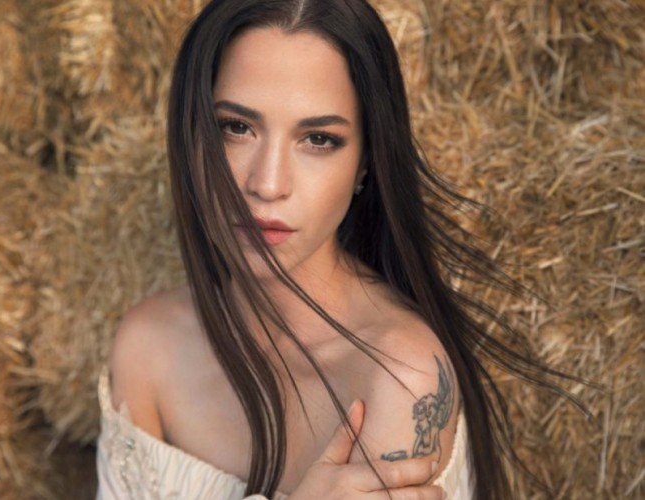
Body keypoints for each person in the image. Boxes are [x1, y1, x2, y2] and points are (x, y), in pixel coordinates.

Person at [95, 0, 564, 498]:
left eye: (318, 139)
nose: (268, 184)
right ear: (191, 136)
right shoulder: (149, 345)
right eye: (236, 127)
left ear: (365, 164)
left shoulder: (400, 376)